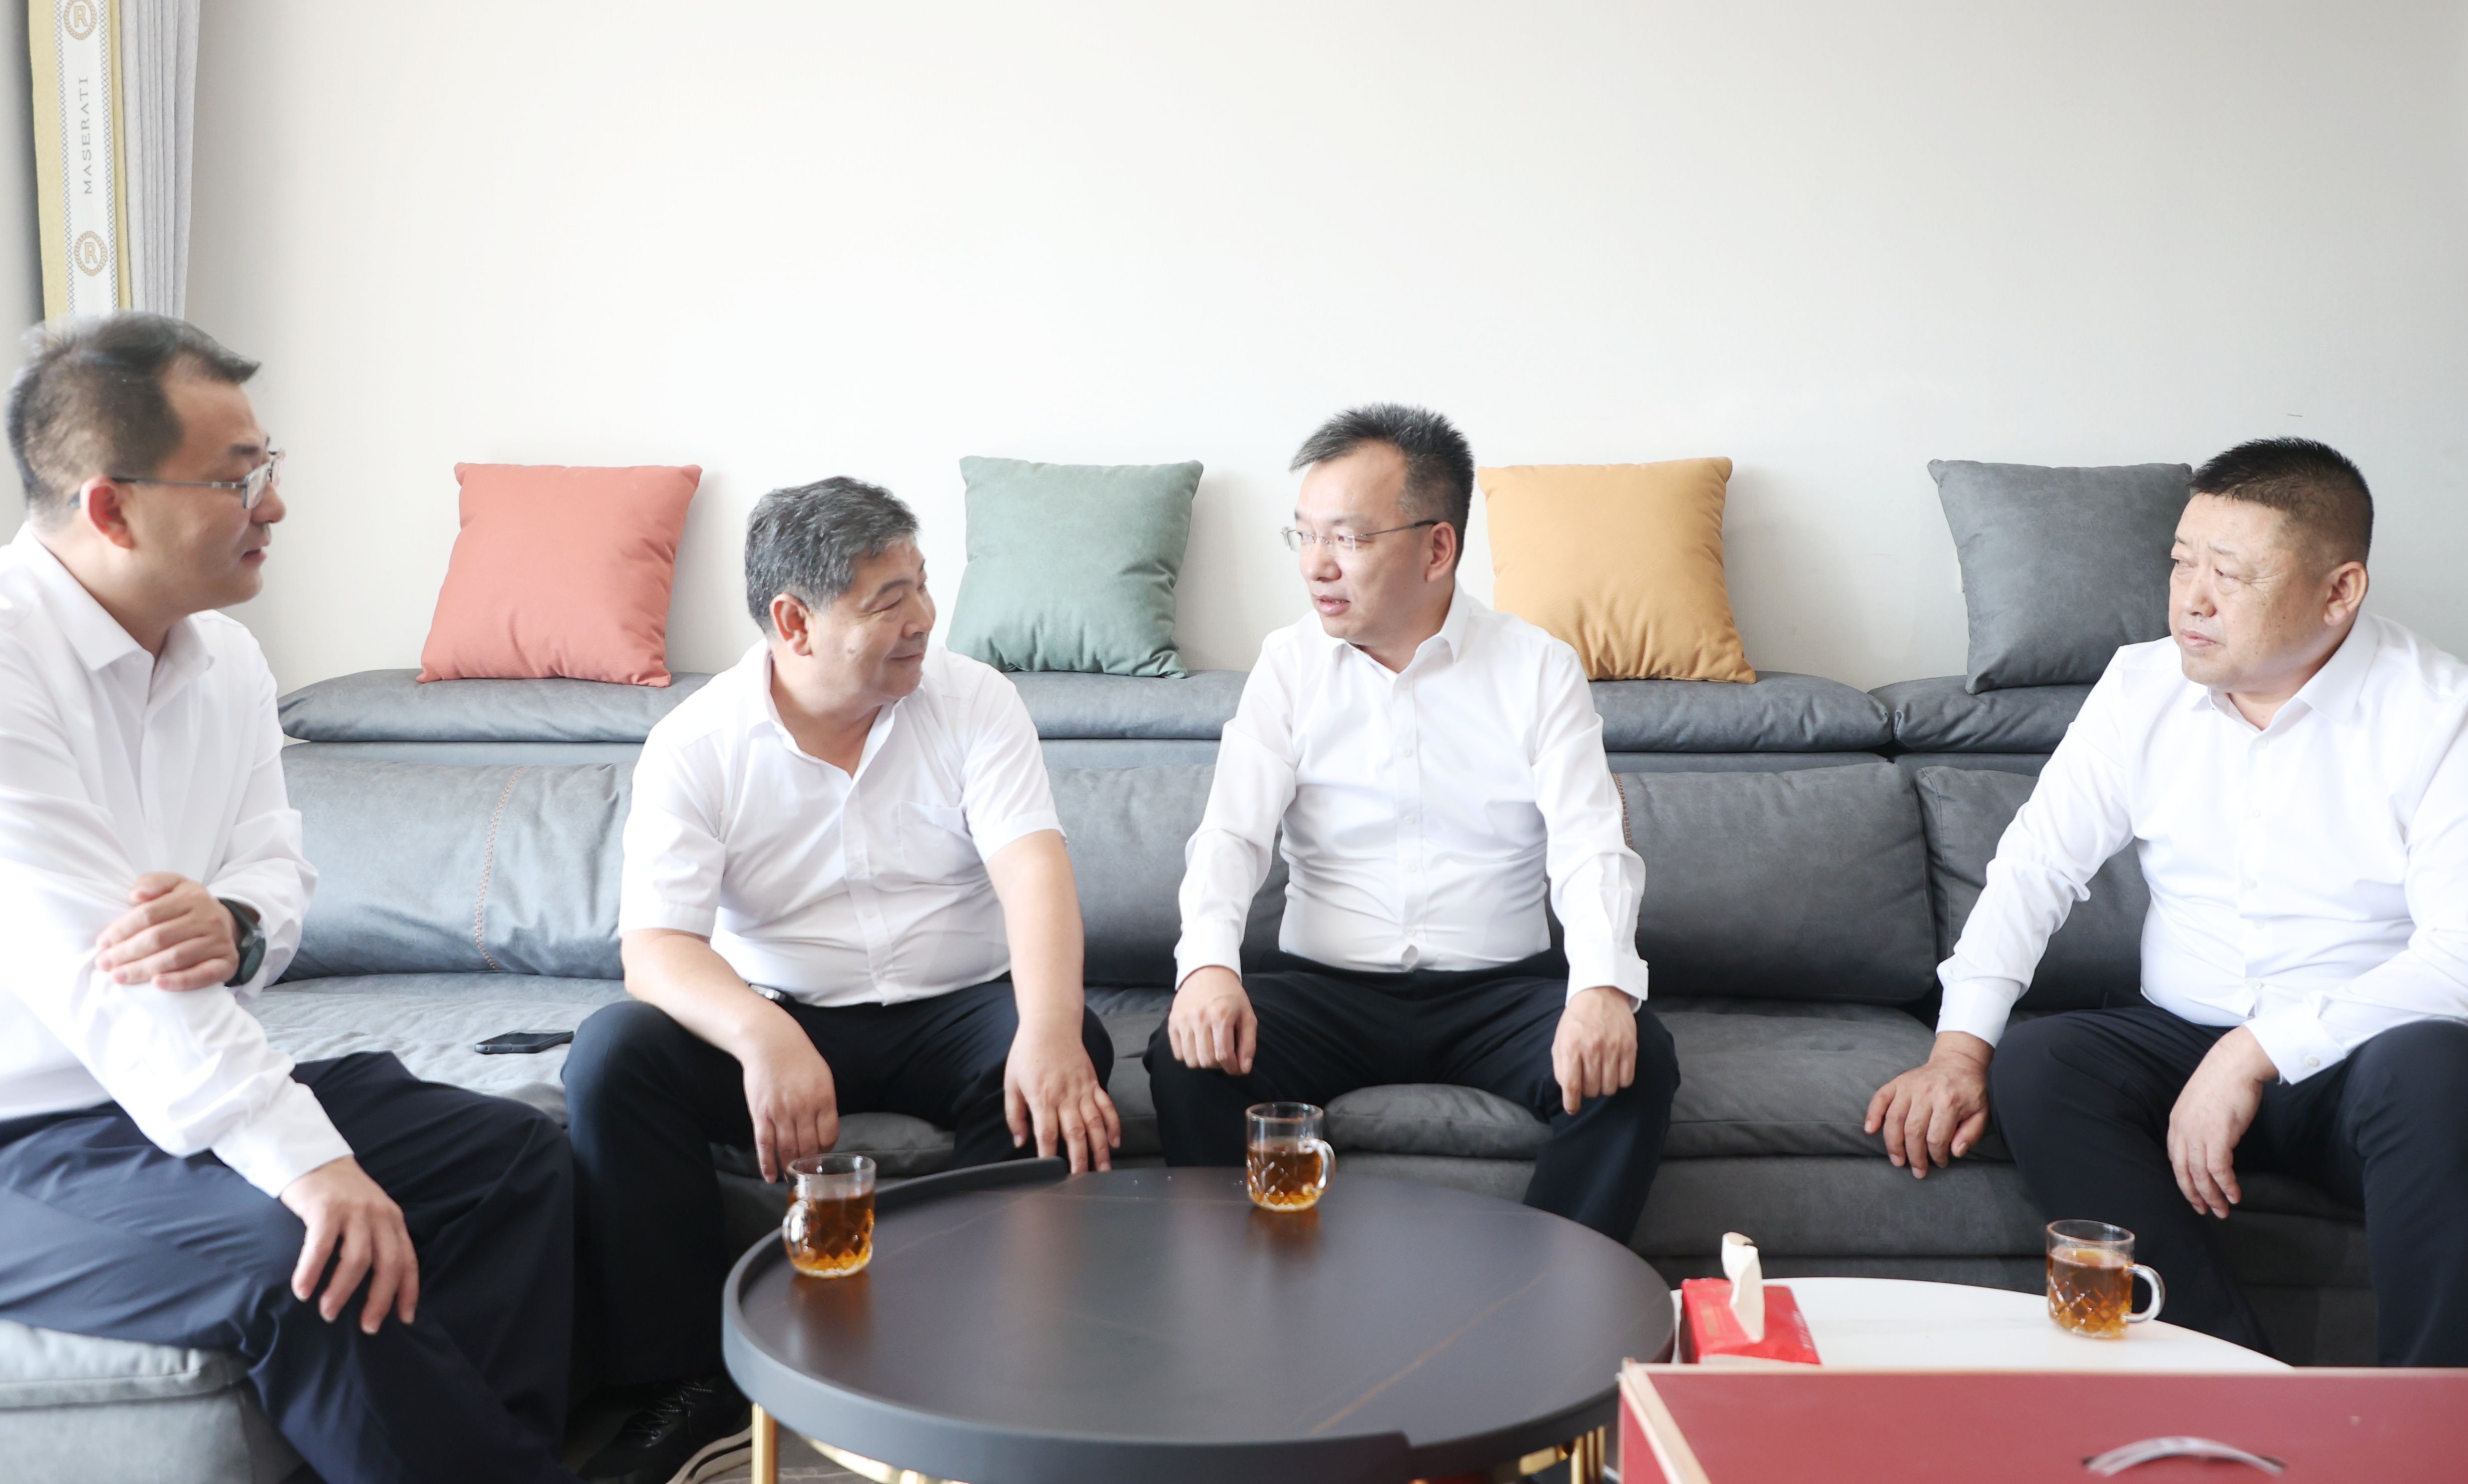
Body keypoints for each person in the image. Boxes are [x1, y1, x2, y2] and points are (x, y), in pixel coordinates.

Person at [0, 313, 578, 1481]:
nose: (273, 503)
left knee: (511, 1157)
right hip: (30, 1138)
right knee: (304, 1260)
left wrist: (237, 923)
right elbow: (119, 988)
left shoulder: (229, 662)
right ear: (111, 508)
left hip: (170, 1096)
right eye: (236, 478)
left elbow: (277, 870)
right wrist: (308, 1162)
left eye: (268, 464)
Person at [1863, 437, 2468, 1364]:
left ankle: (2439, 1423)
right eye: (2181, 563)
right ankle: (2226, 1383)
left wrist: (2254, 1051)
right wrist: (1959, 1049)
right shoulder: (2141, 686)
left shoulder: (2447, 713)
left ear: (2340, 591)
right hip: (2177, 1035)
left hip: (2363, 1055)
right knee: (2039, 1063)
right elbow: (2036, 868)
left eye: (2229, 574)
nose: (2193, 599)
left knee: (2444, 1071)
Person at [565, 475, 1119, 1484]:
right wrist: (761, 1035)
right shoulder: (695, 743)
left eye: (922, 585)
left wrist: (1046, 1028)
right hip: (788, 1014)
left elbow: (1034, 872)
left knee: (1068, 1039)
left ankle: (984, 1355)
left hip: (957, 1008)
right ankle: (687, 1385)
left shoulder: (973, 699)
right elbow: (656, 950)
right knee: (613, 1055)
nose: (924, 618)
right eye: (888, 600)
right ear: (794, 623)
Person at [1146, 404, 1676, 1241]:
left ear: (1438, 548)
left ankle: (1546, 1292)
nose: (1317, 564)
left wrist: (1602, 986)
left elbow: (1590, 844)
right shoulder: (1288, 665)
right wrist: (1207, 966)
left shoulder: (1537, 668)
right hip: (1327, 990)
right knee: (1188, 1057)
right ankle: (1253, 1289)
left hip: (1499, 991)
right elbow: (1230, 836)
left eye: (1348, 538)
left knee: (1635, 1061)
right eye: (1304, 535)